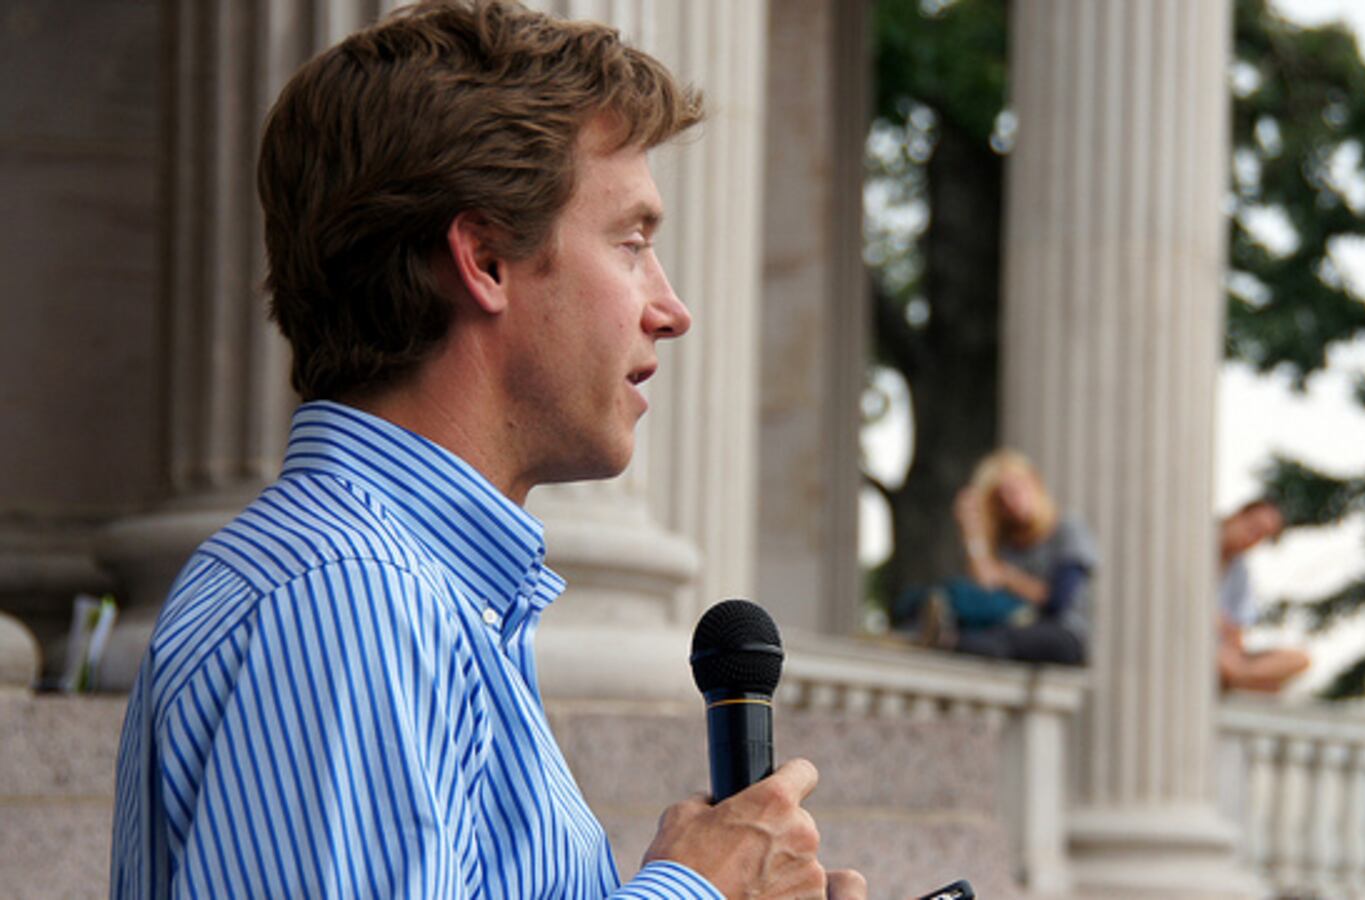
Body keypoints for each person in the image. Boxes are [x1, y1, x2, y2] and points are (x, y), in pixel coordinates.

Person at [109, 4, 866, 898]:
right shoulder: (350, 600)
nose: (670, 308)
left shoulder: (419, 600)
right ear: (485, 261)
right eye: (631, 244)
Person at [896, 449, 1097, 666]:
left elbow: (1058, 601)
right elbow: (986, 584)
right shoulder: (1007, 542)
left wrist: (1007, 576)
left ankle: (946, 640)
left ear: (1034, 482)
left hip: (1063, 635)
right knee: (951, 596)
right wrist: (971, 532)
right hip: (1016, 623)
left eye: (1016, 490)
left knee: (997, 639)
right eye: (1001, 498)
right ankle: (920, 629)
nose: (1011, 502)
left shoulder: (1067, 530)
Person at [1217, 499, 1310, 693]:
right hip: (1197, 644)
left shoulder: (1240, 572)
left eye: (1261, 536)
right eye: (1253, 528)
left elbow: (1237, 632)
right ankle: (1241, 678)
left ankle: (1237, 677)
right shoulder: (1194, 546)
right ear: (1238, 516)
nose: (1252, 539)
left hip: (1227, 653)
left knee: (1299, 659)